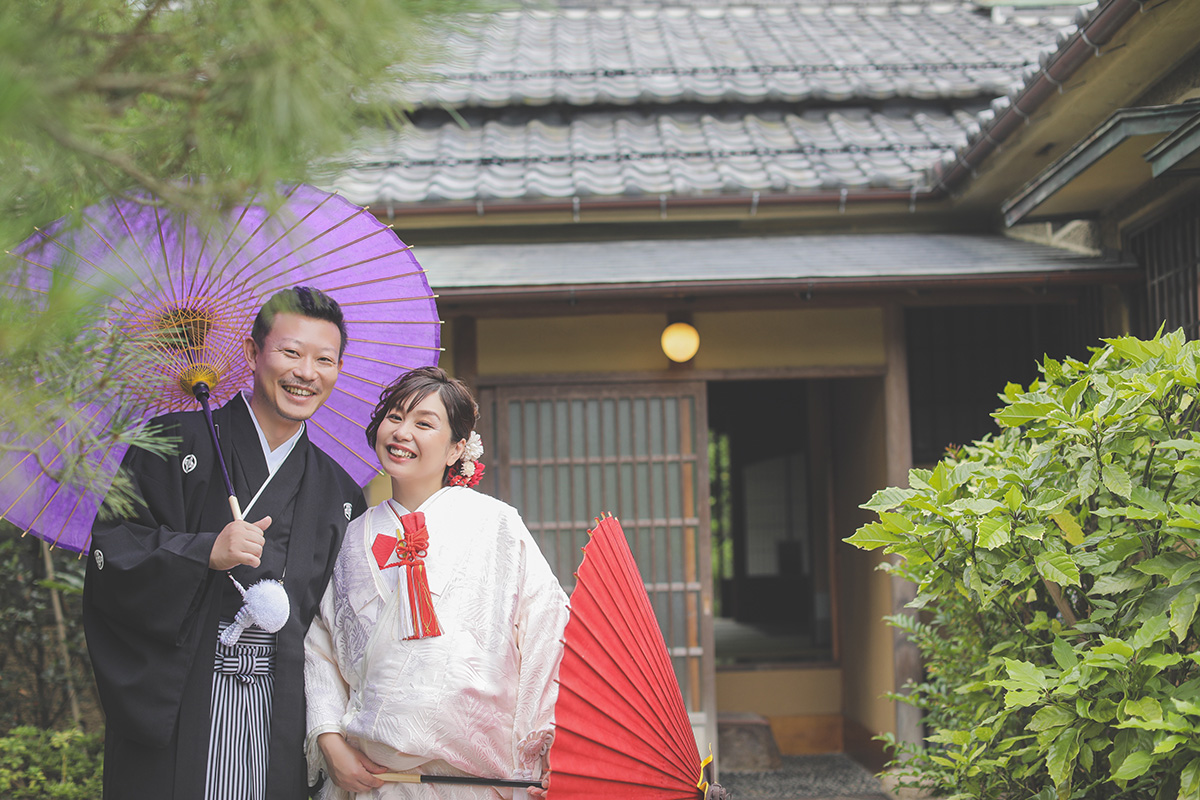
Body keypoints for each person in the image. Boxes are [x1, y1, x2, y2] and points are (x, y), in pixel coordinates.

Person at [83, 286, 368, 800]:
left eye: (324, 359)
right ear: (251, 353)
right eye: (290, 352)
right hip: (183, 698)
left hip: (283, 708)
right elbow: (112, 555)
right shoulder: (170, 443)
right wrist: (203, 552)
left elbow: (339, 632)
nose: (306, 372)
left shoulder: (340, 492)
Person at [304, 366, 569, 800]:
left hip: (478, 783)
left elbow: (547, 633)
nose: (402, 432)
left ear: (456, 449)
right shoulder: (352, 536)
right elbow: (320, 647)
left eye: (424, 423)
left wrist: (539, 752)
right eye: (394, 417)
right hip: (373, 780)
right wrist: (329, 739)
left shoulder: (496, 525)